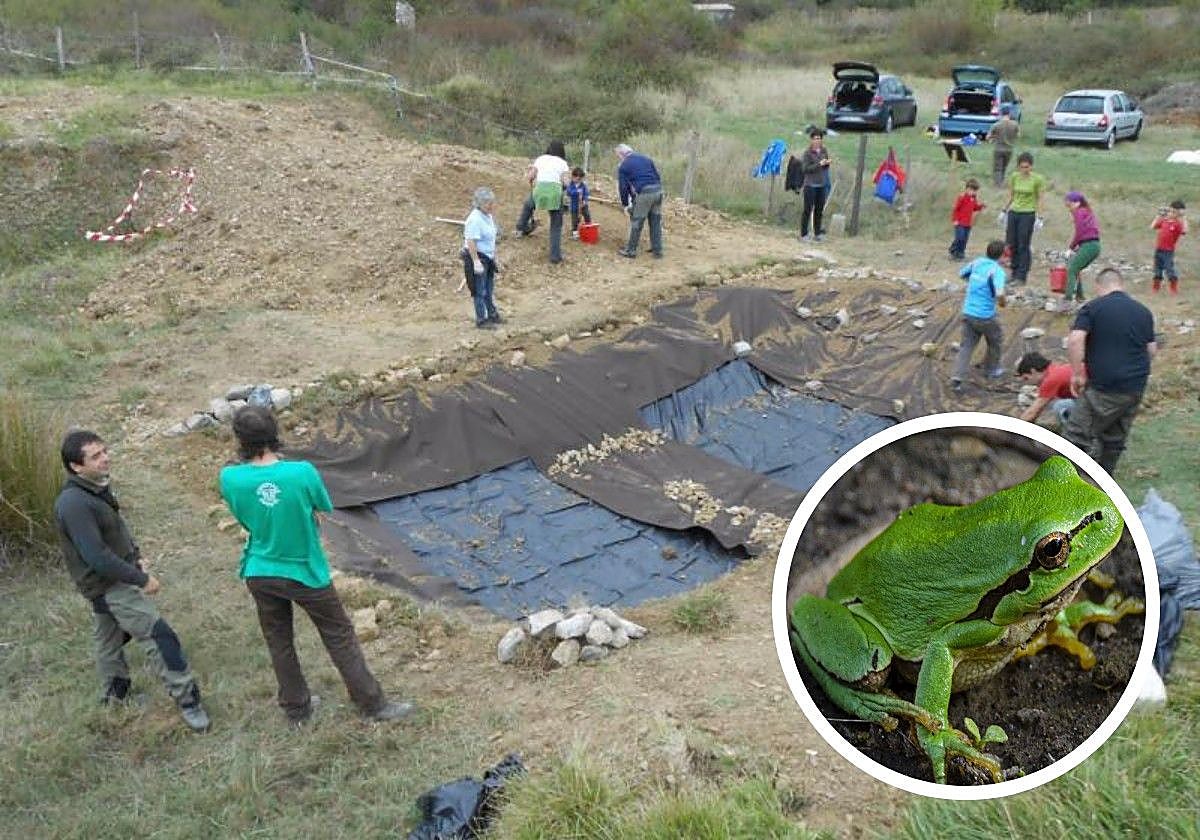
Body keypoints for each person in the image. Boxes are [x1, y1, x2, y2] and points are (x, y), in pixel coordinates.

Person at [220, 406, 414, 726]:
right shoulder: (301, 473)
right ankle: (372, 704)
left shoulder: (230, 478)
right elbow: (322, 505)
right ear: (274, 433)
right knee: (338, 633)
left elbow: (244, 518)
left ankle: (296, 710)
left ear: (239, 439)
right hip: (305, 571)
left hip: (260, 570)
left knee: (279, 640)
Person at [53, 430, 210, 731]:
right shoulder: (74, 503)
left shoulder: (93, 489)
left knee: (108, 639)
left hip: (110, 580)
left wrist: (134, 557)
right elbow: (96, 556)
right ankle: (188, 700)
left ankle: (115, 694)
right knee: (159, 635)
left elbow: (114, 533)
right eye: (95, 456)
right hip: (108, 585)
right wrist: (140, 578)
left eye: (104, 451)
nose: (105, 458)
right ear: (76, 466)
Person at [1064, 268, 1156, 475]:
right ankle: (1104, 483)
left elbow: (1076, 339)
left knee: (1075, 436)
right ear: (1120, 284)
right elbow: (1151, 350)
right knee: (1114, 439)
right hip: (1135, 387)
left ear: (1099, 286)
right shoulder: (1143, 311)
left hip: (1105, 386)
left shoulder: (1093, 308)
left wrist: (1078, 373)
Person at [950, 240, 1008, 393]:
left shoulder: (977, 263)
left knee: (967, 346)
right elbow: (1000, 293)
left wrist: (975, 285)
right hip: (985, 315)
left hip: (968, 312)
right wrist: (1002, 303)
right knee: (996, 340)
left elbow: (962, 274)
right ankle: (991, 369)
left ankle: (957, 376)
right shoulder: (997, 271)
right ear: (1002, 256)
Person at [515, 140, 571, 264]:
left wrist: (529, 173)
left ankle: (521, 226)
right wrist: (567, 188)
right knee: (556, 226)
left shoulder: (540, 159)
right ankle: (555, 256)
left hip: (539, 190)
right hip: (555, 193)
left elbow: (530, 177)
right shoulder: (563, 163)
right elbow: (566, 182)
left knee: (528, 204)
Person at [458, 187, 501, 329]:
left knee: (489, 289)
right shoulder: (474, 219)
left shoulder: (487, 216)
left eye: (491, 202)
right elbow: (471, 241)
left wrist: (493, 256)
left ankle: (492, 314)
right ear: (479, 204)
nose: (491, 206)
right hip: (478, 257)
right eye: (488, 203)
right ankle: (481, 320)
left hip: (487, 257)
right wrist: (476, 261)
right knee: (479, 290)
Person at [1001, 152, 1047, 286]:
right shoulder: (1015, 177)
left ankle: (1022, 275)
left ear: (1031, 167)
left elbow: (1040, 198)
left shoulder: (1037, 179)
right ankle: (1013, 272)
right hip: (1014, 212)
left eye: (1027, 167)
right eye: (1022, 167)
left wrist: (1040, 216)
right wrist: (1004, 210)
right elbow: (1011, 194)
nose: (1024, 169)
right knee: (1011, 243)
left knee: (1023, 244)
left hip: (1028, 213)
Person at [615, 143, 664, 259]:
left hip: (645, 194)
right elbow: (657, 176)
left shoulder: (624, 166)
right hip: (658, 191)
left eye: (618, 156)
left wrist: (625, 204)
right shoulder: (646, 158)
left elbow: (623, 187)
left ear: (622, 154)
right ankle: (657, 250)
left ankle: (630, 250)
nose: (619, 159)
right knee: (655, 221)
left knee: (637, 222)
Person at [1062, 191, 1101, 311]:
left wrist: (1071, 247)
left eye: (1069, 205)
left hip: (1089, 245)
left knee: (1072, 269)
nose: (1068, 208)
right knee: (1076, 268)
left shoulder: (1079, 212)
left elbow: (1080, 232)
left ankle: (1067, 300)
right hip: (1091, 244)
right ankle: (1080, 297)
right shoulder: (1086, 211)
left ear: (1077, 203)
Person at [1017, 351, 1076, 428]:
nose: (1028, 382)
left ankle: (1077, 435)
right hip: (1090, 395)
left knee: (1060, 406)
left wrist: (1014, 430)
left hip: (1093, 400)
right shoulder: (1055, 368)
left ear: (1033, 371)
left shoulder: (1050, 380)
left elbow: (1032, 413)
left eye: (1026, 378)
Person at [798, 128, 832, 242]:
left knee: (819, 210)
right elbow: (805, 169)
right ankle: (803, 234)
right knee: (807, 209)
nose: (817, 141)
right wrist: (819, 164)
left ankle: (817, 233)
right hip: (810, 185)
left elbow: (825, 166)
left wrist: (827, 164)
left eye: (819, 138)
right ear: (811, 140)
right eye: (815, 138)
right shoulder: (807, 153)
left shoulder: (824, 151)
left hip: (821, 184)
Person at [1151, 200, 1188, 294]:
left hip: (1168, 251)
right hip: (1159, 250)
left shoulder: (1177, 224)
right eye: (1170, 211)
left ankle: (1173, 288)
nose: (1171, 213)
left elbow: (1184, 231)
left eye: (1174, 212)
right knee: (1157, 269)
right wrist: (1159, 215)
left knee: (1169, 269)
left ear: (1178, 213)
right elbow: (1153, 226)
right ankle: (1156, 288)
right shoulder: (1164, 221)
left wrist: (1183, 217)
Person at [949, 177, 985, 260]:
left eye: (975, 191)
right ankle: (954, 251)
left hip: (968, 223)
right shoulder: (961, 197)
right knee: (959, 237)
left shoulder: (973, 198)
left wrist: (981, 206)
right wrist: (955, 220)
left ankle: (961, 252)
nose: (973, 192)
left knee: (965, 238)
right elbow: (956, 209)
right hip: (959, 222)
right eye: (971, 190)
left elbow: (974, 208)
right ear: (967, 189)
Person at [986, 105, 1020, 187]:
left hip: (998, 149)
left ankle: (998, 185)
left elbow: (988, 137)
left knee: (998, 168)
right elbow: (1018, 135)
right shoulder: (1015, 124)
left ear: (1001, 114)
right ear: (1009, 114)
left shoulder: (996, 125)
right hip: (1009, 149)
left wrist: (994, 137)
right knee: (1004, 167)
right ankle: (1002, 181)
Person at [566, 167, 592, 239]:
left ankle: (589, 228)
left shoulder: (583, 185)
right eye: (576, 177)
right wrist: (576, 192)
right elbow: (569, 193)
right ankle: (575, 233)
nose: (578, 179)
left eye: (580, 177)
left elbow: (586, 194)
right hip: (574, 206)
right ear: (573, 176)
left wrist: (585, 201)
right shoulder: (570, 185)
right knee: (574, 220)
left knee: (587, 215)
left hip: (583, 205)